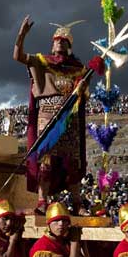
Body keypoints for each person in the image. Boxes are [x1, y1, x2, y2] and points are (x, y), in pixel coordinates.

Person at [13, 16, 104, 215]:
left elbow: (84, 94)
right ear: (52, 44)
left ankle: (78, 203)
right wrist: (21, 35)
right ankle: (42, 201)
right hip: (47, 114)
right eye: (56, 40)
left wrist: (93, 71)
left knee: (72, 162)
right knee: (46, 161)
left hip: (70, 117)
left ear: (69, 45)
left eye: (64, 40)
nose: (59, 42)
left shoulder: (78, 68)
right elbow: (18, 56)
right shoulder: (41, 61)